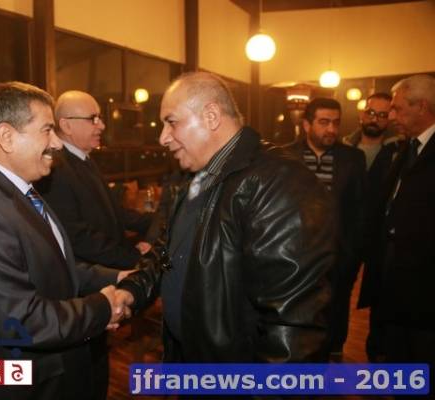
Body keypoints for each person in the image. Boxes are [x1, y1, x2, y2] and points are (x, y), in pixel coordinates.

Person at [116, 71, 336, 363]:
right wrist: (133, 289)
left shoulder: (280, 181)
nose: (163, 138)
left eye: (172, 122)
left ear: (211, 116)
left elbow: (293, 326)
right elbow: (169, 252)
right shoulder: (195, 176)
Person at [0, 82, 127, 400]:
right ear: (7, 137)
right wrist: (101, 307)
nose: (56, 143)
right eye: (47, 130)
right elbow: (20, 320)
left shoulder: (24, 192)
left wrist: (116, 276)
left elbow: (54, 266)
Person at [37, 90, 150, 399]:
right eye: (93, 118)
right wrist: (131, 258)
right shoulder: (56, 168)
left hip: (101, 276)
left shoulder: (84, 159)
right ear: (66, 125)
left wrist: (149, 225)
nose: (101, 125)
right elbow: (78, 236)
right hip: (81, 282)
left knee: (97, 362)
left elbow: (113, 213)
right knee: (83, 371)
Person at [284, 98, 366, 359]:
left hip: (337, 256)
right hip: (295, 256)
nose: (331, 129)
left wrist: (351, 254)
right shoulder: (284, 156)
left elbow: (358, 209)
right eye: (323, 122)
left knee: (336, 312)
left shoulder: (353, 158)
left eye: (336, 123)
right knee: (297, 314)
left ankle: (333, 355)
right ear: (307, 125)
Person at [378, 74, 435, 380]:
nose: (391, 116)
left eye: (398, 109)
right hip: (398, 278)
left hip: (426, 287)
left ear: (422, 107)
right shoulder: (407, 147)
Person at [344, 92, 404, 361]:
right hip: (348, 232)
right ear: (361, 114)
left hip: (380, 235)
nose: (375, 119)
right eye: (371, 112)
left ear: (388, 119)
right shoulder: (345, 147)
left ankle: (377, 352)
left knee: (380, 293)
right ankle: (335, 345)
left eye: (382, 115)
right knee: (339, 291)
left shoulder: (398, 150)